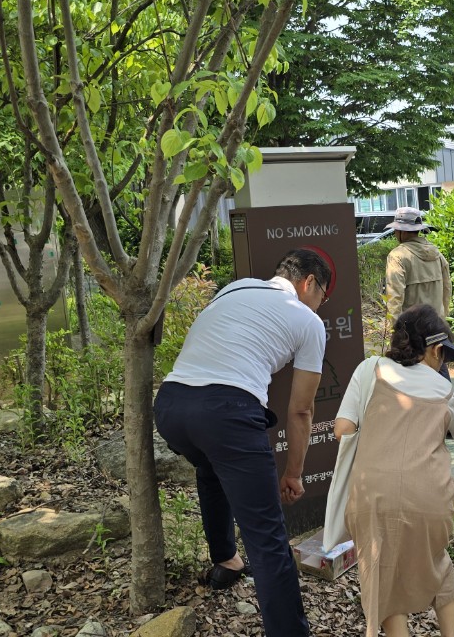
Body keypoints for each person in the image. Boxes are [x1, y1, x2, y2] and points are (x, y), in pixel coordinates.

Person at [154, 248, 333, 637]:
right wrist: (294, 473)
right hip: (226, 412)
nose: (321, 306)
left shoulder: (234, 289)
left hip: (170, 405)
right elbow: (301, 411)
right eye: (324, 296)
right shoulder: (307, 321)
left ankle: (226, 562)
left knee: (210, 466)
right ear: (310, 284)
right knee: (267, 538)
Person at [333, 304, 454, 637]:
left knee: (382, 577)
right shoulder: (445, 390)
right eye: (445, 357)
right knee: (437, 562)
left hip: (374, 494)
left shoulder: (370, 369)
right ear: (436, 349)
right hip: (429, 498)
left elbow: (342, 428)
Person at [384, 207, 453, 323]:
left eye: (395, 229)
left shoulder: (397, 256)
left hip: (413, 329)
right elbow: (447, 288)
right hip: (437, 325)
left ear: (403, 231)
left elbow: (394, 297)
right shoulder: (437, 254)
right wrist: (443, 319)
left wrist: (396, 330)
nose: (395, 233)